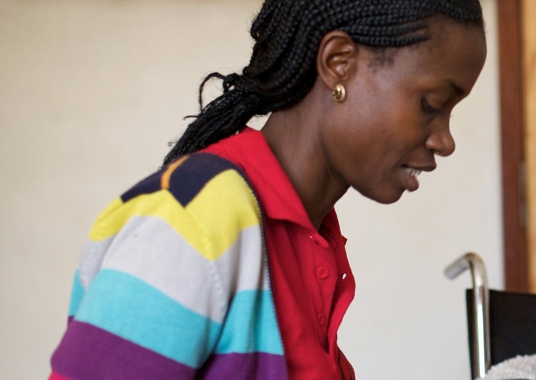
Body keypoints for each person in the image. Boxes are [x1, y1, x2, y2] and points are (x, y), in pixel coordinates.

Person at [48, 1, 487, 379]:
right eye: (431, 104)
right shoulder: (195, 220)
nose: (444, 141)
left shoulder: (312, 237)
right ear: (339, 63)